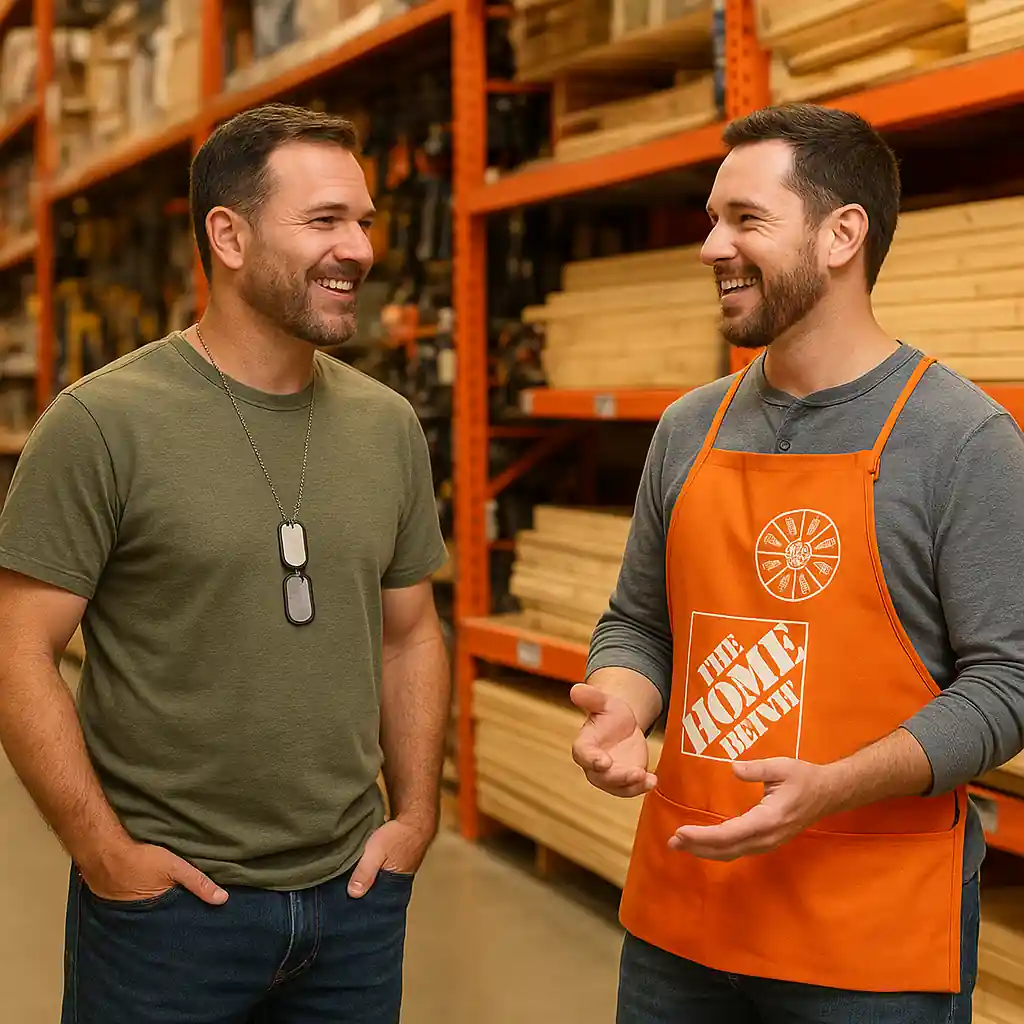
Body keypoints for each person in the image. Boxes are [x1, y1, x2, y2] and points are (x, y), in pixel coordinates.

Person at [571, 102, 1024, 1023]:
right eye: (712, 218)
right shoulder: (689, 428)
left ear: (840, 235)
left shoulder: (962, 439)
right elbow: (640, 624)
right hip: (683, 920)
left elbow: (1009, 684)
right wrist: (621, 703)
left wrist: (834, 786)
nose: (710, 247)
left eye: (745, 219)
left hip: (869, 940)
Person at [0, 102, 450, 1022]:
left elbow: (410, 635)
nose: (359, 249)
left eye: (363, 221)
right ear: (229, 236)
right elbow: (17, 649)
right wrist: (105, 858)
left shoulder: (387, 425)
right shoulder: (102, 423)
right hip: (167, 919)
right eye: (325, 221)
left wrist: (413, 822)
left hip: (354, 904)